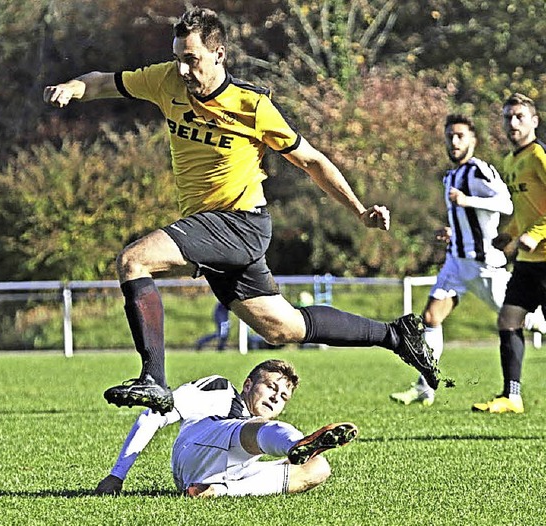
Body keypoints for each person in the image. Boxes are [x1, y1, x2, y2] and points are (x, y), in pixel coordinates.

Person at [44, 7, 439, 414]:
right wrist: (74, 88)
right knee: (281, 327)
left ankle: (153, 379)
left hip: (240, 224)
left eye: (191, 58)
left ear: (219, 55)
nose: (182, 68)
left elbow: (312, 161)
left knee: (133, 260)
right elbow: (101, 82)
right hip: (211, 228)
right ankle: (395, 335)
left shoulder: (251, 105)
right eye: (178, 56)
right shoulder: (165, 80)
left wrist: (358, 211)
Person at [93, 359, 358, 497]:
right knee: (255, 428)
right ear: (247, 384)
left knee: (319, 468)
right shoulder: (220, 389)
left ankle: (215, 492)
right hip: (197, 448)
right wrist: (117, 475)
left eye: (284, 397)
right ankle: (296, 445)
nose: (276, 397)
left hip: (229, 471)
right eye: (270, 387)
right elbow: (155, 414)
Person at [390, 114, 514, 406]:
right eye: (450, 136)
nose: (454, 141)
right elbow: (467, 218)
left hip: (483, 264)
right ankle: (424, 386)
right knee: (431, 318)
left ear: (473, 140)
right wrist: (452, 230)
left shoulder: (478, 170)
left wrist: (468, 201)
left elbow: (505, 203)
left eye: (460, 136)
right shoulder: (450, 177)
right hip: (456, 262)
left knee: (525, 319)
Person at [473, 93, 546, 414]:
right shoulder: (510, 160)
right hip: (529, 263)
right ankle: (512, 396)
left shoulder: (539, 156)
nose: (512, 123)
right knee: (508, 320)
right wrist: (511, 233)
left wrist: (534, 235)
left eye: (519, 116)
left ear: (534, 120)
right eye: (507, 117)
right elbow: (526, 211)